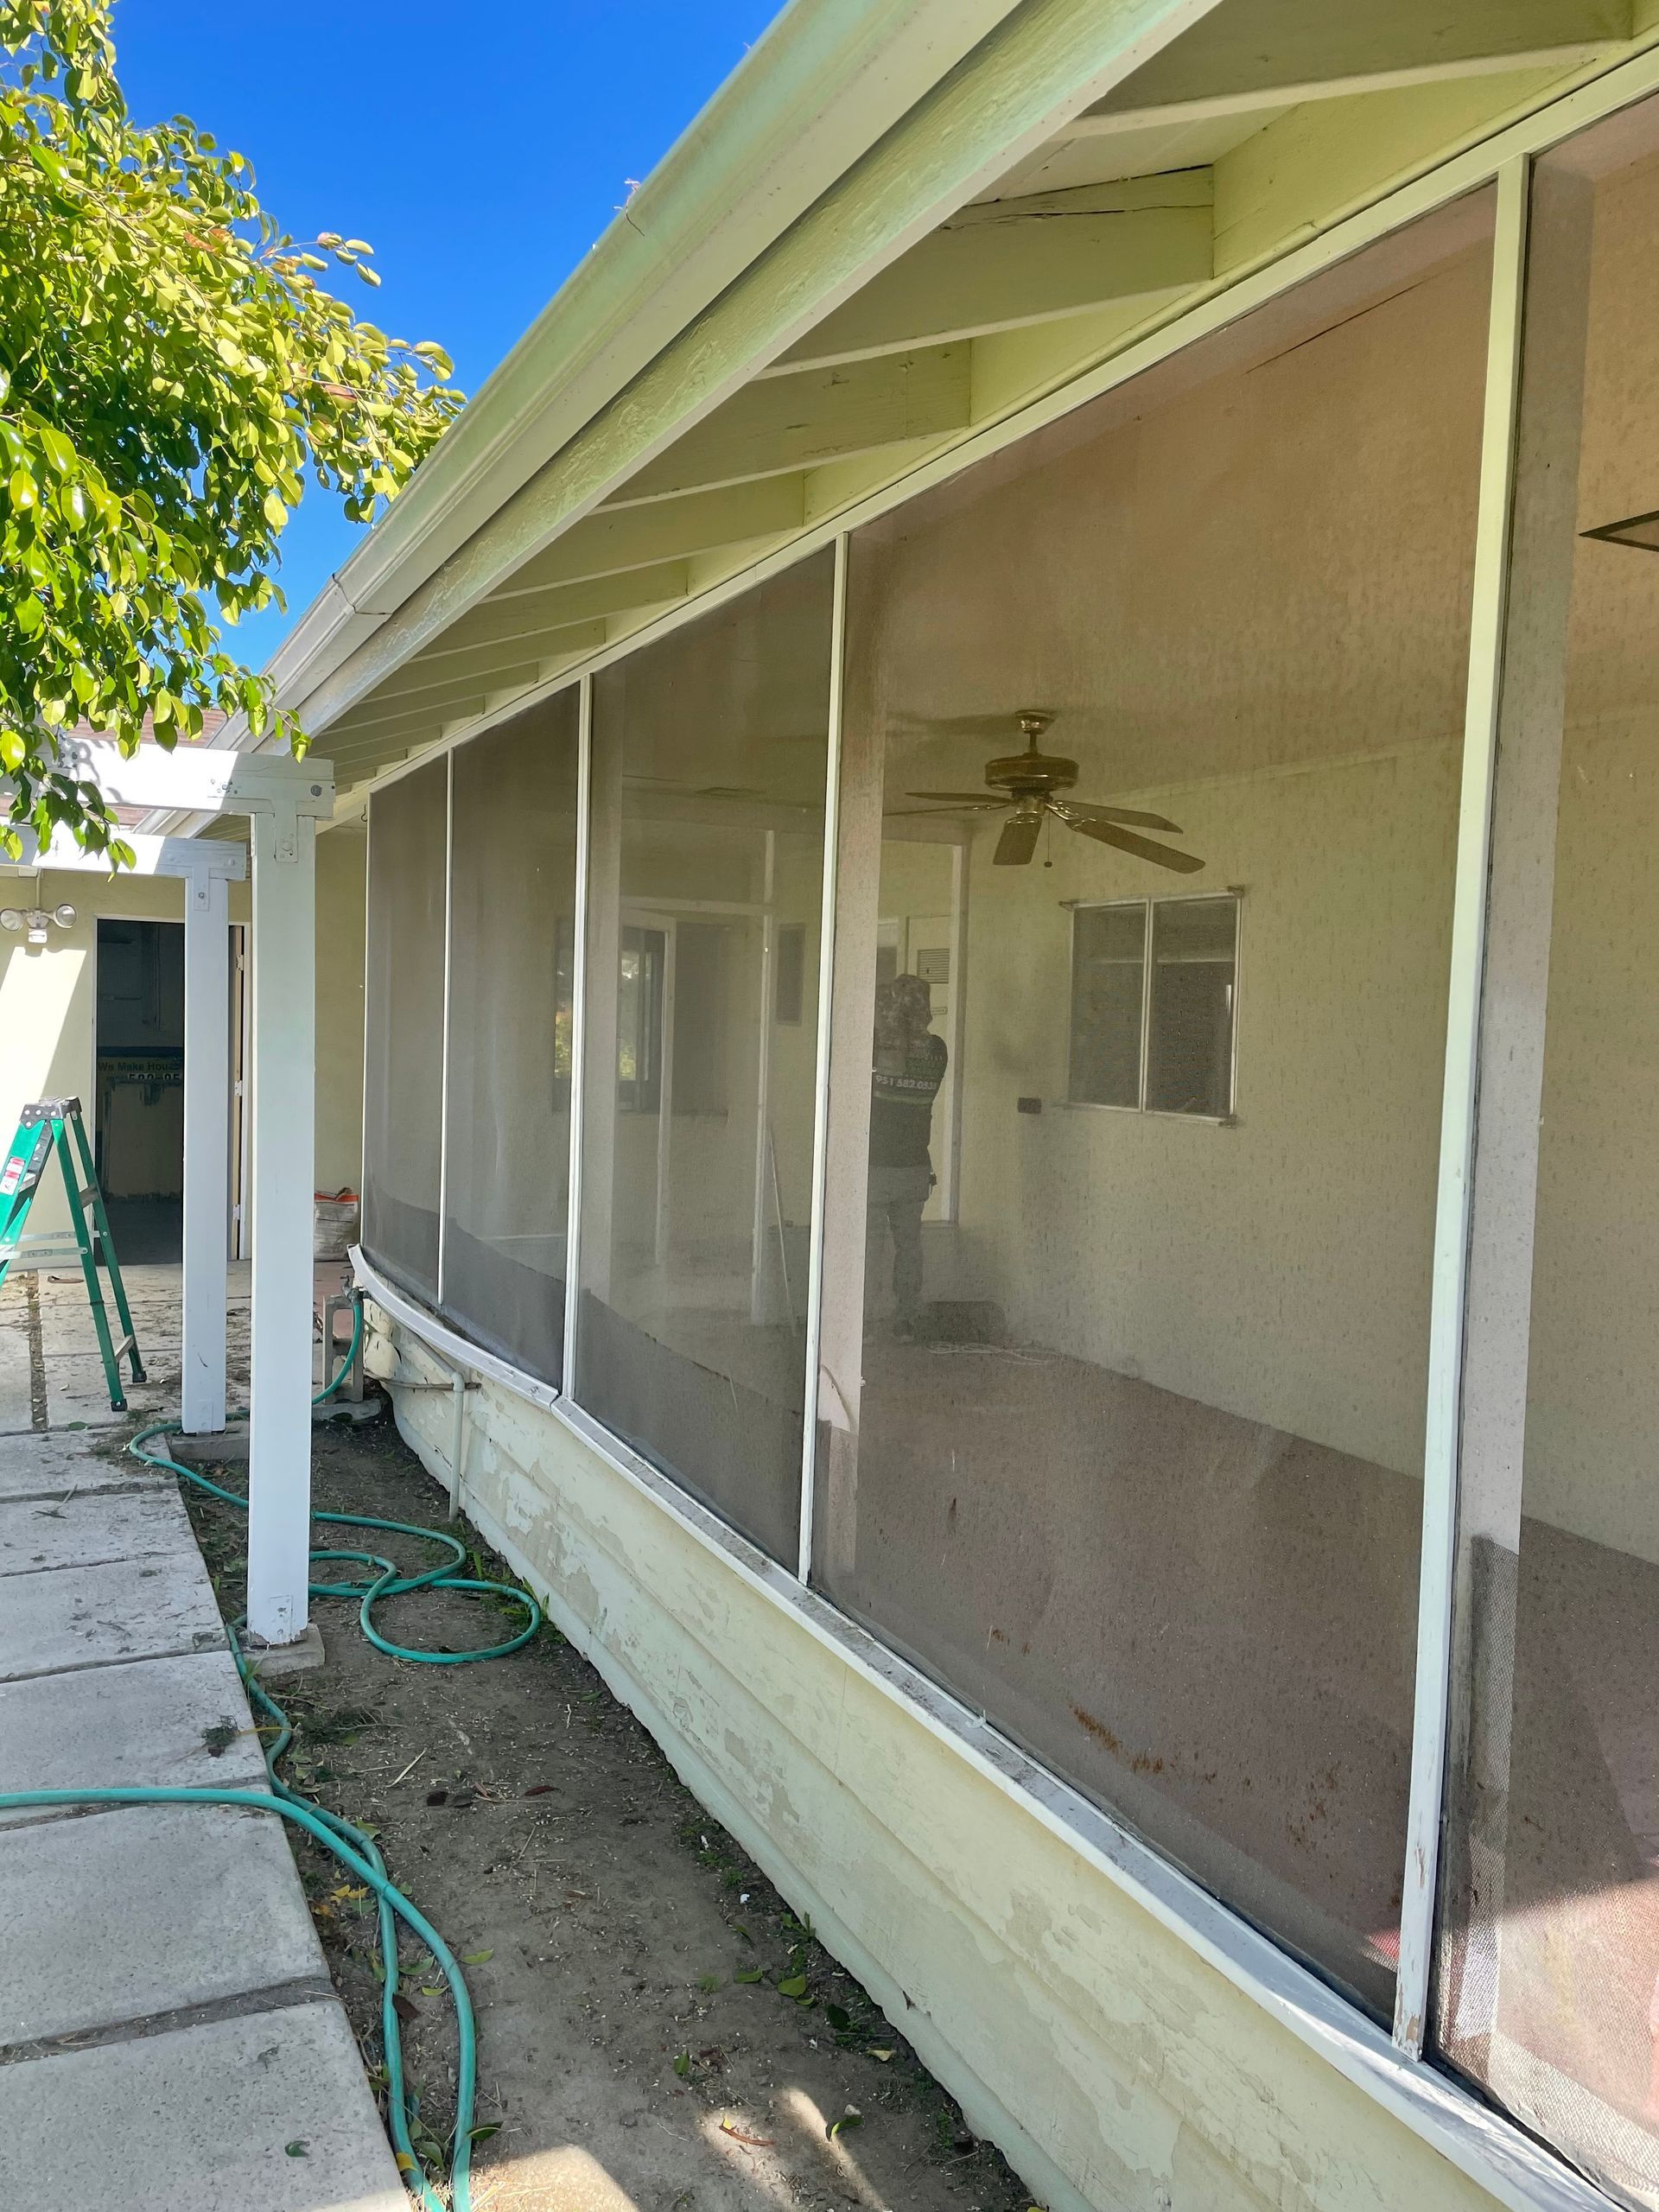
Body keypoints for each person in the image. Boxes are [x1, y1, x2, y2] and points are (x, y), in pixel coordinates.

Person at [866, 972, 947, 1337]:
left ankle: (861, 1322)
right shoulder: (937, 1051)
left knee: (868, 1249)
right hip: (914, 1168)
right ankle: (906, 1320)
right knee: (909, 1248)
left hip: (875, 1168)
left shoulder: (877, 1049)